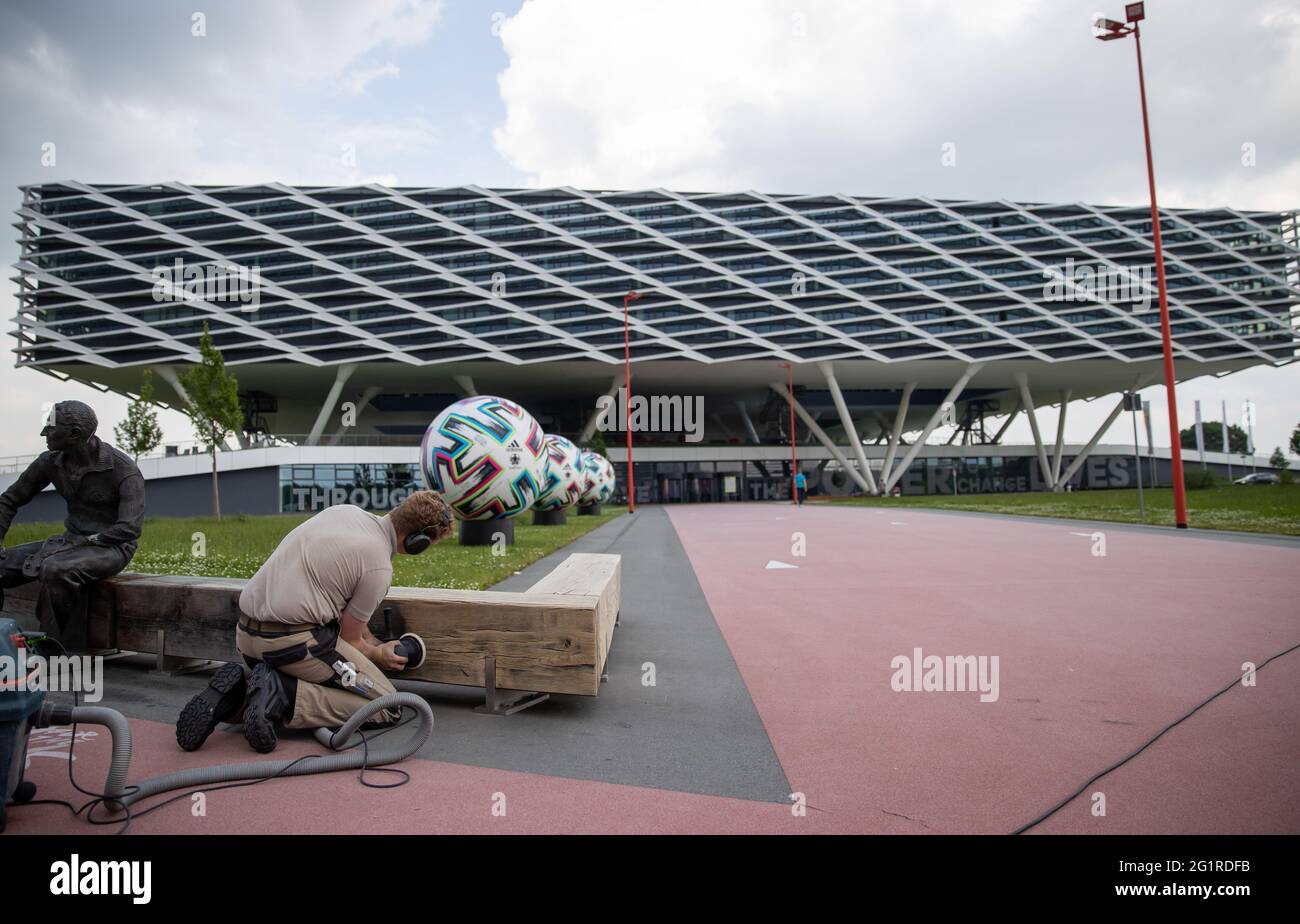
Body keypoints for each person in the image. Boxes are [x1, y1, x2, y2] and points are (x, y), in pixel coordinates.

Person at [175, 490, 454, 754]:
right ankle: (280, 693)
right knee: (387, 706)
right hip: (291, 645)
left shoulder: (344, 513)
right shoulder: (379, 566)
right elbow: (350, 640)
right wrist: (379, 655)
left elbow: (346, 612)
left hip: (246, 638)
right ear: (420, 541)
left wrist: (373, 644)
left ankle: (234, 698)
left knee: (333, 665)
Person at [0, 401, 144, 652]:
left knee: (55, 569)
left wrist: (87, 541)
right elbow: (9, 500)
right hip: (70, 542)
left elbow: (129, 528)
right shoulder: (50, 462)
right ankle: (2, 643)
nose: (44, 434)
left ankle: (57, 651)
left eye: (50, 428)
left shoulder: (124, 470)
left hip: (113, 547)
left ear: (75, 433)